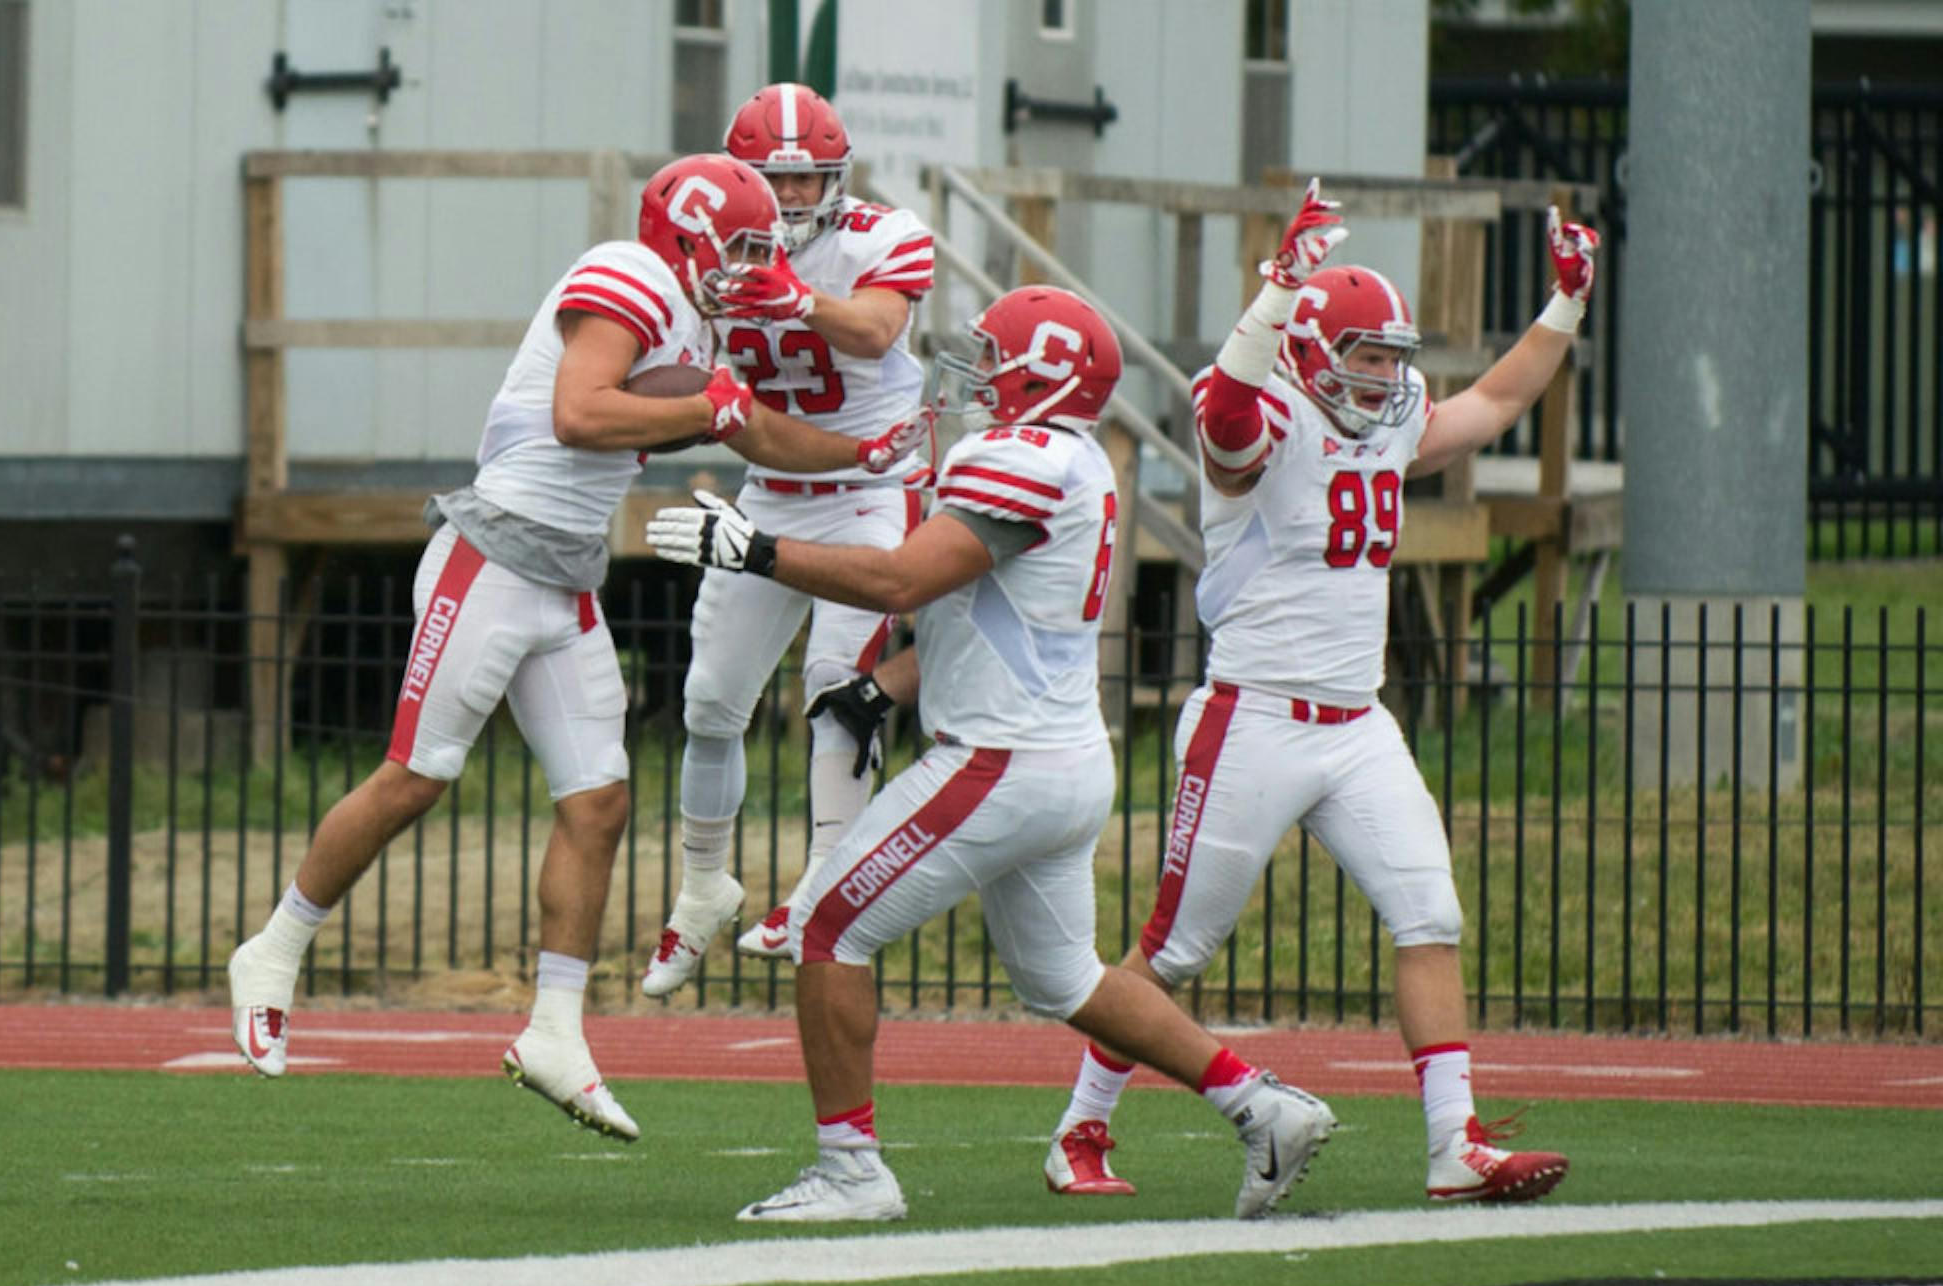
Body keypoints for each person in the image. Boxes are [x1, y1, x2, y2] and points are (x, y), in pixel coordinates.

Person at [226, 153, 917, 1140]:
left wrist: (866, 452)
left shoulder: (691, 314)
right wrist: (700, 409)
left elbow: (756, 431)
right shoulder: (629, 273)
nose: (754, 264)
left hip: (563, 572)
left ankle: (553, 1028)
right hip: (493, 553)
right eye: (743, 244)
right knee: (416, 775)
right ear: (688, 233)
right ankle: (276, 945)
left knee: (597, 803)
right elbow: (579, 411)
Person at [647, 286, 1338, 1223]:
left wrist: (756, 550)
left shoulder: (1019, 457)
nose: (975, 376)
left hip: (1000, 762)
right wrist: (882, 684)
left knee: (827, 931)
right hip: (1057, 757)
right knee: (1067, 980)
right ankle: (1261, 1105)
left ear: (1042, 377)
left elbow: (901, 576)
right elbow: (975, 614)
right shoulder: (1075, 460)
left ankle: (852, 1171)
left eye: (993, 359)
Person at [1040, 181, 1598, 1203]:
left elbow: (1496, 401)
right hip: (1250, 718)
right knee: (1171, 947)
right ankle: (1078, 1128)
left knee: (1428, 911)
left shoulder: (1383, 424)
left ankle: (1451, 1143)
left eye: (1393, 356)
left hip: (1355, 721)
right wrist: (1275, 291)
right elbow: (1220, 415)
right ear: (1304, 349)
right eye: (1366, 355)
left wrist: (1562, 306)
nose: (1385, 376)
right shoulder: (1263, 415)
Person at [642, 82, 939, 997]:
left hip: (869, 491)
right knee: (709, 703)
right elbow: (669, 373)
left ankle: (824, 888)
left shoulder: (885, 237)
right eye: (777, 180)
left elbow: (878, 327)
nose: (797, 196)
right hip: (772, 487)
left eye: (810, 178)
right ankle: (702, 887)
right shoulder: (710, 256)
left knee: (838, 695)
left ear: (837, 176)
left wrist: (795, 297)